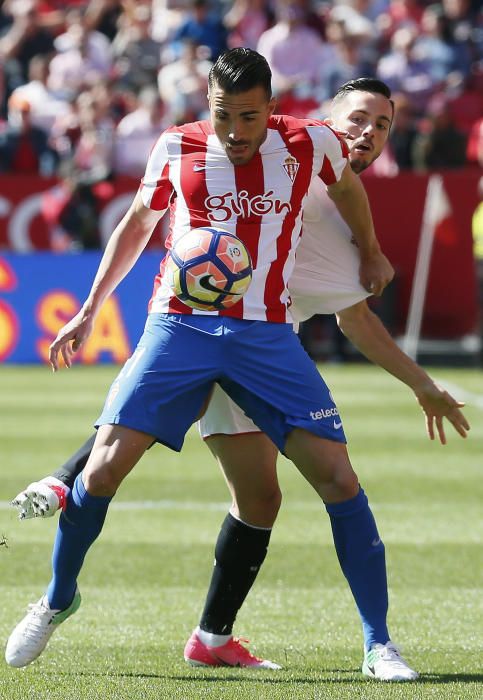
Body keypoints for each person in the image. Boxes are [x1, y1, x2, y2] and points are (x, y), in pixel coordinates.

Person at [9, 75, 470, 681]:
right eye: (357, 118)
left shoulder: (313, 156)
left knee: (291, 491)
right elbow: (138, 222)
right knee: (105, 468)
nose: (367, 133)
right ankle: (56, 593)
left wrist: (371, 249)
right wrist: (91, 309)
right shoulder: (184, 146)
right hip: (182, 327)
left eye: (382, 125)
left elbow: (356, 304)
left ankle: (362, 644)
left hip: (264, 342)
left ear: (273, 112)